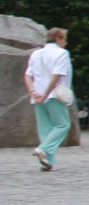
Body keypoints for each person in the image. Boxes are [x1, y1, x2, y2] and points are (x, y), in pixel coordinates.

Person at [25, 28, 73, 172]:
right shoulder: (62, 53)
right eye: (64, 38)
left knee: (45, 129)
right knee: (63, 125)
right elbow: (57, 76)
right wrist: (46, 94)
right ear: (58, 38)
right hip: (54, 95)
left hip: (37, 96)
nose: (66, 42)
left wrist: (33, 92)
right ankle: (42, 149)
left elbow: (27, 76)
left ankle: (47, 161)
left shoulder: (36, 53)